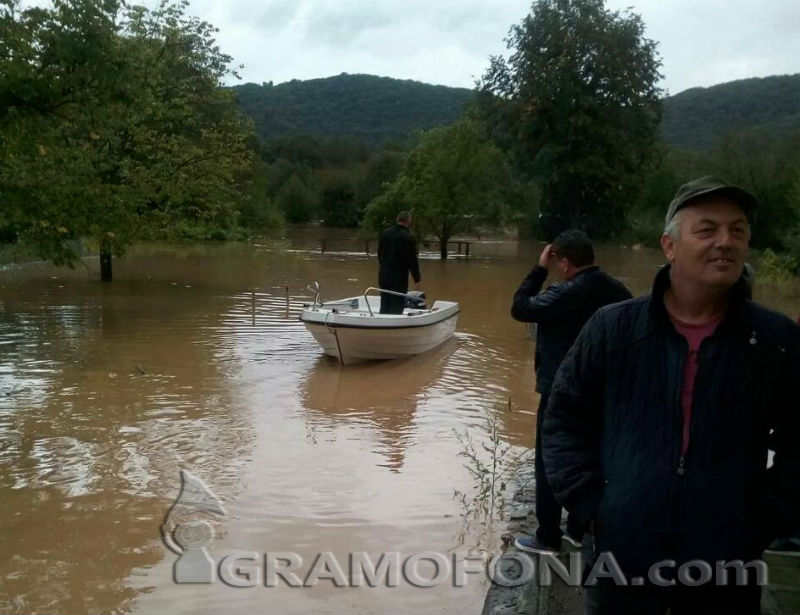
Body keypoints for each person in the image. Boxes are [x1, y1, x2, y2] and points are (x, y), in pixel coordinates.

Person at [542, 176, 800, 614]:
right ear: (669, 246)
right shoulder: (613, 329)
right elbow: (564, 419)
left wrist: (765, 519)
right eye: (707, 230)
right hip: (621, 556)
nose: (726, 242)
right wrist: (591, 506)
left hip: (726, 564)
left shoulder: (774, 340)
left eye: (737, 231)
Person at [510, 229, 632, 554]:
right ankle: (580, 529)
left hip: (560, 391)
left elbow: (520, 307)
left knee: (550, 459)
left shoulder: (564, 292)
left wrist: (539, 269)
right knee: (590, 458)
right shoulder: (617, 290)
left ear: (563, 263)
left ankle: (548, 536)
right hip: (602, 392)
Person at [377, 211, 421, 314]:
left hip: (384, 275)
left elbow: (380, 255)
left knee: (385, 304)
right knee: (396, 306)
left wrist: (383, 267)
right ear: (409, 221)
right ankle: (393, 327)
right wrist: (417, 279)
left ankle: (381, 325)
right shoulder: (408, 237)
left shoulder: (384, 234)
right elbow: (412, 261)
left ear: (397, 219)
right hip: (399, 278)